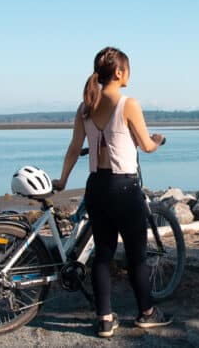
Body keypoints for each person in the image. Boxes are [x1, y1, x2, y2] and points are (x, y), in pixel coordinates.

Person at [52, 46, 172, 338]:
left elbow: (72, 148)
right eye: (128, 69)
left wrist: (63, 180)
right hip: (124, 186)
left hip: (96, 187)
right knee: (136, 256)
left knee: (103, 254)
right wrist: (157, 139)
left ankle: (105, 319)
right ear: (119, 72)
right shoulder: (128, 104)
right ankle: (147, 312)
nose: (130, 74)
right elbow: (145, 145)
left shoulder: (85, 107)